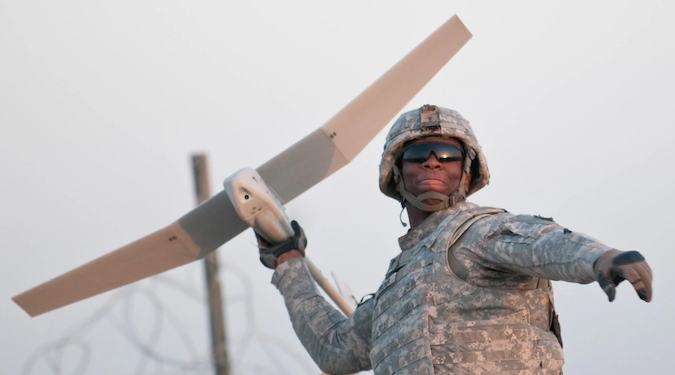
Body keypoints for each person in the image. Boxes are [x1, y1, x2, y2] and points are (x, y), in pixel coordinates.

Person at [256, 104, 653, 375]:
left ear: (465, 174)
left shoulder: (480, 232)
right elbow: (334, 348)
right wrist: (289, 261)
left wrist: (601, 258)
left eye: (446, 154)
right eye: (418, 154)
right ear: (397, 175)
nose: (432, 161)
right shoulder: (395, 295)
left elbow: (544, 243)